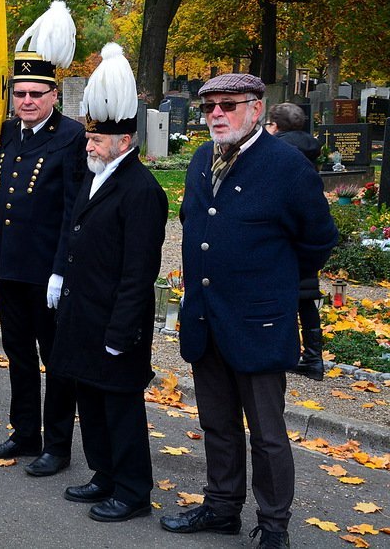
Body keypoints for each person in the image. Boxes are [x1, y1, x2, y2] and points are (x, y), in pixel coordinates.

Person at [161, 74, 337, 549]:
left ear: (256, 109)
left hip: (258, 322)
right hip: (205, 317)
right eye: (209, 107)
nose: (217, 114)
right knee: (216, 423)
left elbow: (319, 239)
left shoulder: (286, 165)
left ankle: (274, 526)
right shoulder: (202, 159)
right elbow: (195, 225)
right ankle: (221, 508)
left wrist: (272, 284)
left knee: (267, 433)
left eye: (228, 105)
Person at [0, 1, 85, 475]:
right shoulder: (7, 133)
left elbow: (74, 210)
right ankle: (24, 433)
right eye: (20, 93)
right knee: (17, 355)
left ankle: (57, 444)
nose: (27, 101)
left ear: (55, 94)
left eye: (37, 93)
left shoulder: (73, 136)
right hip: (9, 263)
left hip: (47, 268)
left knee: (55, 359)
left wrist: (61, 269)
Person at [50, 44, 168, 523]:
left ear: (124, 141)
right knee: (90, 402)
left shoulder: (142, 191)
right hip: (83, 314)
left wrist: (122, 332)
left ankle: (133, 489)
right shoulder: (94, 176)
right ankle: (103, 473)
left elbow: (140, 271)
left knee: (120, 408)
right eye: (89, 139)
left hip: (115, 322)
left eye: (97, 141)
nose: (89, 146)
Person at [266, 102, 324, 381]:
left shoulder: (277, 151)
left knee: (283, 296)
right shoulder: (311, 148)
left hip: (283, 230)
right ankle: (314, 357)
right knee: (306, 296)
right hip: (306, 229)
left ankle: (287, 353)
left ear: (275, 126)